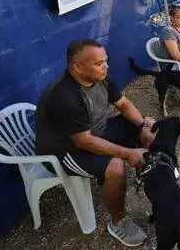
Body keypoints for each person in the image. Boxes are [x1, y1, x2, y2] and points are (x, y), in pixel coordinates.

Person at [35, 39, 157, 247]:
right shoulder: (64, 96)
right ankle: (118, 222)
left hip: (94, 132)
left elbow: (124, 104)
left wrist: (143, 126)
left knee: (150, 124)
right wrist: (128, 153)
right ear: (77, 67)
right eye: (99, 63)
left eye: (106, 61)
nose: (106, 66)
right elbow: (84, 142)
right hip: (65, 151)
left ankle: (146, 170)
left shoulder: (101, 78)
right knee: (116, 167)